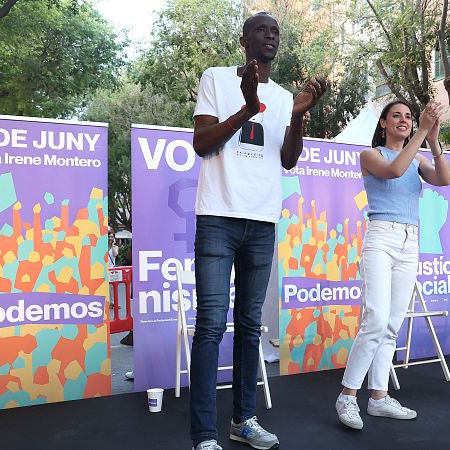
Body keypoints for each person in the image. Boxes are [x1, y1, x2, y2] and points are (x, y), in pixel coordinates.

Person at [189, 11, 326, 450]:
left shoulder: (283, 96)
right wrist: (247, 108)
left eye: (276, 31)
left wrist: (299, 115)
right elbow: (201, 144)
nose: (271, 35)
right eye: (262, 30)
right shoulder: (216, 78)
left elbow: (288, 159)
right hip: (218, 216)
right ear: (244, 40)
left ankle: (243, 420)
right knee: (211, 325)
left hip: (262, 221)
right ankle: (203, 434)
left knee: (250, 327)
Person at [334, 100, 450, 429]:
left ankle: (379, 398)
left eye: (409, 117)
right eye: (396, 115)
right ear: (383, 123)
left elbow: (444, 179)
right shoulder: (371, 155)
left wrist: (434, 140)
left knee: (391, 324)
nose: (404, 120)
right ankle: (347, 396)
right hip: (381, 238)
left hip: (410, 240)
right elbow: (394, 171)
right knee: (375, 319)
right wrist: (423, 131)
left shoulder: (418, 157)